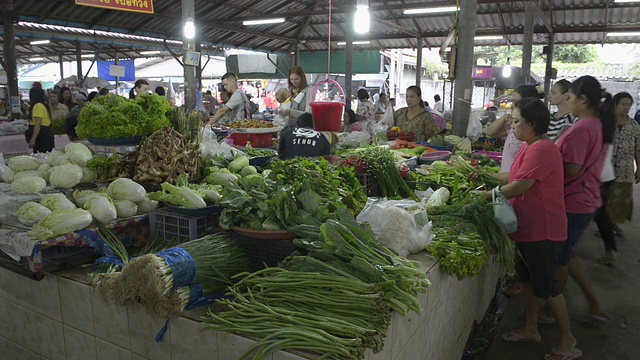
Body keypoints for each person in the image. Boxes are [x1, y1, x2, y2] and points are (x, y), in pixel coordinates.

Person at [484, 97, 580, 360]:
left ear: (532, 123)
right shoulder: (530, 146)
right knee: (526, 280)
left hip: (543, 230)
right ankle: (530, 328)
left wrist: (486, 194)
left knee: (547, 286)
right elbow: (512, 177)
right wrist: (482, 175)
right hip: (528, 227)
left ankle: (568, 340)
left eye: (515, 121)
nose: (511, 126)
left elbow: (518, 187)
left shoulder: (542, 150)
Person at [555, 75, 613, 322]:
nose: (568, 102)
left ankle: (554, 307)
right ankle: (592, 304)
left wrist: (545, 159)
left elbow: (572, 169)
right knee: (567, 255)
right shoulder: (597, 124)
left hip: (575, 200)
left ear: (583, 99)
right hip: (586, 197)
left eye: (570, 97)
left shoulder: (581, 129)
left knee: (560, 258)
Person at [486, 85, 541, 173]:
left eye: (515, 102)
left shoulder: (531, 132)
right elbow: (490, 132)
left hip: (515, 179)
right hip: (507, 177)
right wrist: (504, 118)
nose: (512, 106)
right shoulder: (512, 124)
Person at [607, 92, 640, 232]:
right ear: (615, 105)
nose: (626, 108)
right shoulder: (607, 123)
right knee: (607, 197)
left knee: (622, 197)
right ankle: (607, 225)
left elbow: (638, 148)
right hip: (607, 168)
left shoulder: (634, 126)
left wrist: (639, 168)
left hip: (625, 168)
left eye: (628, 105)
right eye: (623, 104)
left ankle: (614, 223)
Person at [25, 87, 54, 153]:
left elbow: (38, 124)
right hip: (46, 133)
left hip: (42, 135)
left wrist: (33, 139)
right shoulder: (43, 105)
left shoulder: (37, 106)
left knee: (41, 156)